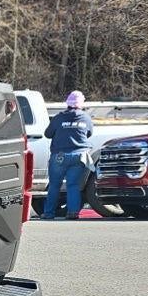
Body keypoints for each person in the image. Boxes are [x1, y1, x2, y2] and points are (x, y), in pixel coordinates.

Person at [42, 90, 94, 219]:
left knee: (54, 185)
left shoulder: (59, 117)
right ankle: (72, 213)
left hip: (59, 156)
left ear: (68, 103)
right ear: (81, 103)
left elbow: (48, 134)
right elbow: (89, 133)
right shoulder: (86, 118)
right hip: (79, 156)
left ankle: (48, 213)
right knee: (73, 185)